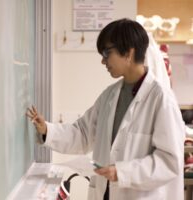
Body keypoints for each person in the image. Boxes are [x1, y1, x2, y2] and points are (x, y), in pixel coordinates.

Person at [26, 18, 185, 200]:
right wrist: (47, 130)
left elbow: (170, 162)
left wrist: (123, 173)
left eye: (107, 53)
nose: (103, 61)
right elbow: (83, 134)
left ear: (128, 53)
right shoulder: (110, 95)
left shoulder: (161, 99)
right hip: (106, 193)